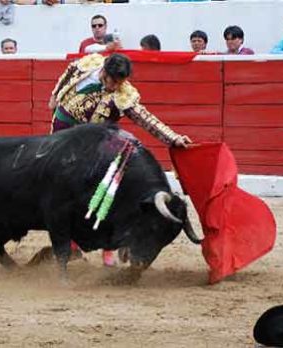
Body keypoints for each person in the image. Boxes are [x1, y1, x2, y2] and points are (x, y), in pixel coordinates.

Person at [48, 53, 192, 266]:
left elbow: (147, 120)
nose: (115, 86)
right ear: (104, 71)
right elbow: (69, 72)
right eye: (112, 81)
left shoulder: (124, 94)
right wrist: (55, 95)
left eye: (120, 82)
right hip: (64, 129)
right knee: (63, 187)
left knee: (112, 182)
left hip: (96, 141)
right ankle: (71, 243)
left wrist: (173, 139)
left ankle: (109, 246)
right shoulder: (90, 63)